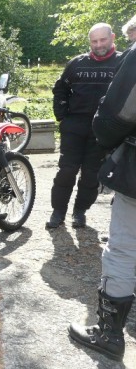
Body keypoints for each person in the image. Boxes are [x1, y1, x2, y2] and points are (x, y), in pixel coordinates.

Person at [67, 41, 136, 362]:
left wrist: (107, 141)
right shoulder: (77, 64)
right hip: (74, 130)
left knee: (124, 248)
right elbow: (61, 89)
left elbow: (114, 117)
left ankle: (109, 335)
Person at [46, 23, 123, 229]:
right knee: (66, 170)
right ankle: (58, 212)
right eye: (94, 41)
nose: (98, 45)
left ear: (112, 37)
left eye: (103, 40)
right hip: (75, 126)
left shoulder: (123, 63)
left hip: (103, 129)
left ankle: (80, 212)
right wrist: (62, 116)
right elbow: (60, 89)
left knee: (91, 174)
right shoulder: (77, 64)